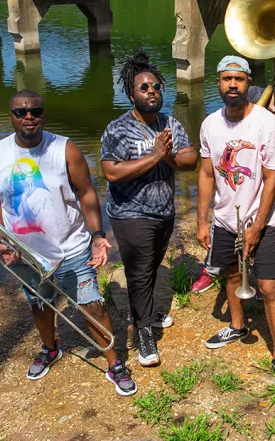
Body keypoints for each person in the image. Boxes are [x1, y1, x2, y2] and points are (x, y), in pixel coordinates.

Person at [0, 89, 137, 396]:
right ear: (10, 116)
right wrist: (2, 235)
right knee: (40, 304)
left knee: (92, 305)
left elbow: (87, 193)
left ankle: (114, 363)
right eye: (21, 112)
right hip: (25, 253)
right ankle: (51, 348)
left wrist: (98, 236)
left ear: (44, 114)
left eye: (36, 111)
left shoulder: (64, 149)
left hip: (71, 248)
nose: (29, 117)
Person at [196, 55, 275, 390]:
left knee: (268, 287)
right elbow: (207, 172)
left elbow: (272, 179)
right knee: (231, 273)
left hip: (262, 220)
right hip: (225, 218)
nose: (233, 85)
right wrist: (202, 219)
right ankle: (237, 326)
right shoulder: (210, 124)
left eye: (239, 79)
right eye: (227, 79)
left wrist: (257, 227)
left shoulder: (268, 124)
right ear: (219, 83)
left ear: (248, 83)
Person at [100, 48, 197, 367]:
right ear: (132, 94)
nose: (152, 91)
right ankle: (143, 333)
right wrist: (155, 156)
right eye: (144, 87)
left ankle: (150, 313)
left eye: (156, 86)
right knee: (139, 272)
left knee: (151, 267)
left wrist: (166, 155)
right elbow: (111, 172)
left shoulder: (170, 123)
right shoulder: (118, 129)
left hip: (163, 212)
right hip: (129, 214)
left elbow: (190, 160)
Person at [190, 58, 275, 294]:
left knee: (260, 237)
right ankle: (213, 270)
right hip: (241, 187)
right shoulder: (261, 101)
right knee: (226, 227)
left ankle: (253, 281)